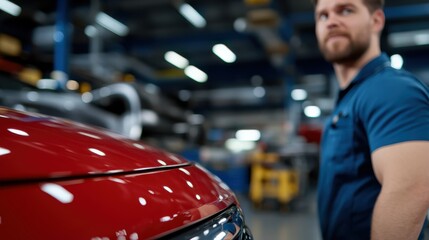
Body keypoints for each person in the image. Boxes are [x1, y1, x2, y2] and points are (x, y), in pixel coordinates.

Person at [312, 0, 429, 239]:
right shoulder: (350, 98)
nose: (331, 20)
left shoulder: (390, 88)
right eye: (323, 16)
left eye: (345, 10)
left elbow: (410, 189)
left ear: (376, 20)